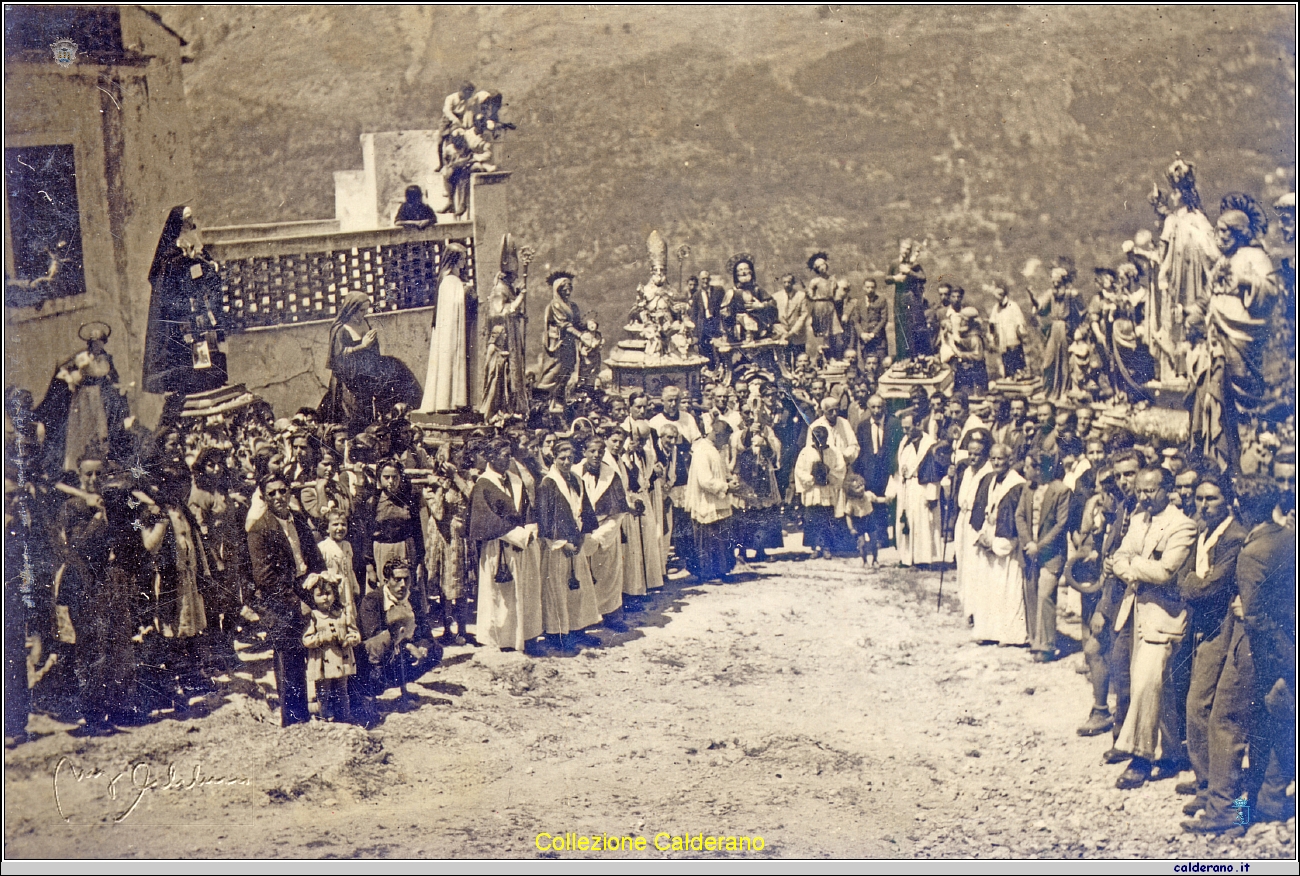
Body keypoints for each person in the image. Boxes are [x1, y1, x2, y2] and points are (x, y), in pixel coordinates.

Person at [1109, 467, 1198, 790]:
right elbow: (1118, 555)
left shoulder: (1182, 525)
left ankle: (1141, 757)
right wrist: (1132, 565)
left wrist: (1129, 567)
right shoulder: (1138, 520)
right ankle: (1171, 752)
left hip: (1165, 616)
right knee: (1158, 686)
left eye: (1151, 491)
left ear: (1168, 489)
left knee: (1148, 682)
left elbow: (1165, 572)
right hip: (1135, 610)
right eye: (1140, 491)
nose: (1144, 497)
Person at [1175, 471, 1247, 819]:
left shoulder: (1233, 537)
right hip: (1201, 628)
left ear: (1228, 499)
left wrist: (1193, 583)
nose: (1203, 504)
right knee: (1197, 707)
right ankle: (1206, 780)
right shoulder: (1204, 532)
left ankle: (1217, 793)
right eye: (1200, 498)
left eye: (1211, 499)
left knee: (1201, 707)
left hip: (1222, 630)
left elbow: (1210, 588)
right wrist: (1193, 582)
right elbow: (1183, 577)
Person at [247, 472, 326, 727]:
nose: (279, 497)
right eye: (272, 493)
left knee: (318, 647)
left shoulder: (299, 521)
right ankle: (293, 720)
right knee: (289, 657)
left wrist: (320, 583)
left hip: (306, 588)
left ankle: (324, 707)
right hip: (279, 599)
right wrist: (296, 602)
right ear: (264, 497)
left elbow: (313, 556)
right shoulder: (259, 530)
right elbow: (265, 579)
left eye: (283, 491)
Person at [142, 206, 228, 401]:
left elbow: (204, 262)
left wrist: (210, 265)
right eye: (187, 218)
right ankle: (193, 383)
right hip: (182, 308)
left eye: (191, 218)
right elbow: (166, 275)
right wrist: (186, 262)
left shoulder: (194, 241)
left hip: (199, 305)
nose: (191, 221)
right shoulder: (172, 249)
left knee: (206, 341)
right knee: (188, 346)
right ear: (179, 223)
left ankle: (210, 379)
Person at [468, 439, 544, 651]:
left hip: (523, 546)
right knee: (502, 598)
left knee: (526, 592)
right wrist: (518, 535)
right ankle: (504, 641)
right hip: (499, 547)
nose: (508, 459)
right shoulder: (484, 484)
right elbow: (486, 520)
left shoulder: (515, 481)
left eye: (509, 454)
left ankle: (528, 636)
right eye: (503, 454)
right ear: (491, 457)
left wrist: (530, 528)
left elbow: (527, 508)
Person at [34, 322, 130, 476]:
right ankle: (75, 464)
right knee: (82, 427)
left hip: (100, 397)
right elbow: (64, 370)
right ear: (90, 343)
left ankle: (101, 463)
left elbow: (113, 377)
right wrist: (72, 379)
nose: (97, 347)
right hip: (83, 396)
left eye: (100, 343)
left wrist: (116, 386)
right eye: (94, 344)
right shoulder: (81, 357)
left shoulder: (106, 358)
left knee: (101, 427)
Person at [320, 292, 421, 433]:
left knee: (367, 416)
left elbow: (373, 352)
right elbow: (339, 357)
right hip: (347, 381)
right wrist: (363, 346)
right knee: (351, 417)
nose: (364, 314)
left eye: (365, 310)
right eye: (361, 310)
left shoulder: (365, 324)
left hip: (363, 379)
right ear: (351, 309)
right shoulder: (341, 330)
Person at [535, 439, 602, 644]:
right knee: (557, 589)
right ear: (553, 458)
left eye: (570, 458)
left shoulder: (576, 479)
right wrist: (561, 543)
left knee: (578, 589)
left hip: (576, 541)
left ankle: (577, 628)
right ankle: (558, 634)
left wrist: (582, 536)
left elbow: (584, 508)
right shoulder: (548, 483)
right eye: (562, 458)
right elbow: (544, 518)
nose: (566, 462)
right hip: (558, 546)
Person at [968, 444, 1027, 645]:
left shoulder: (1016, 484)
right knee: (987, 587)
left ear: (1009, 460)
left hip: (1005, 543)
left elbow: (1013, 521)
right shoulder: (991, 480)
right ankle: (987, 631)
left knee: (1006, 588)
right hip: (990, 534)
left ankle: (1009, 635)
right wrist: (982, 535)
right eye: (992, 458)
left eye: (1000, 459)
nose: (996, 462)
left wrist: (995, 543)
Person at [1016, 452, 1071, 662]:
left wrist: (1039, 546)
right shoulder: (1027, 489)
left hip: (1051, 554)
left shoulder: (1061, 491)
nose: (1025, 470)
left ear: (1039, 469)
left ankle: (1047, 645)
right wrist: (1028, 542)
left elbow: (1060, 524)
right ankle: (1034, 640)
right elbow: (1019, 515)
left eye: (1029, 466)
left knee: (1045, 595)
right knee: (1030, 593)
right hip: (1030, 551)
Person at [1153, 154, 1219, 320]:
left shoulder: (1198, 219)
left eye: (1176, 192)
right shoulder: (1172, 220)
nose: (1173, 196)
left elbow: (1211, 250)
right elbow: (1164, 255)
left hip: (1195, 276)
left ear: (1184, 193)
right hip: (1177, 280)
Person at [420, 244, 474, 413]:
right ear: (455, 260)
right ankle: (448, 402)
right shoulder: (450, 280)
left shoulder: (449, 280)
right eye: (462, 258)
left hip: (448, 329)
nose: (464, 262)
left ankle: (448, 401)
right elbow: (456, 303)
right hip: (449, 331)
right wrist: (467, 291)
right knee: (449, 361)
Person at [684, 419, 737, 582]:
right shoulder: (702, 451)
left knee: (719, 539)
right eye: (725, 438)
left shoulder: (714, 449)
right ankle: (708, 573)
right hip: (706, 502)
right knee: (708, 539)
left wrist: (729, 480)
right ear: (717, 435)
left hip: (718, 501)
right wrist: (726, 487)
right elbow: (705, 480)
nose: (726, 443)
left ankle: (721, 570)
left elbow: (719, 472)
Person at [302, 573, 360, 723]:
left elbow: (355, 633)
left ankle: (344, 717)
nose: (325, 598)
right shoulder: (313, 616)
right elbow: (307, 640)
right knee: (323, 691)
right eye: (320, 595)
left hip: (341, 659)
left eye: (328, 593)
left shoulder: (341, 614)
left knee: (342, 690)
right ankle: (323, 716)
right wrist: (322, 638)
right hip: (323, 662)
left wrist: (350, 639)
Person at [853, 394, 902, 563]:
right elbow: (860, 451)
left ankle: (895, 538)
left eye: (879, 407)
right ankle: (879, 537)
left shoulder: (894, 424)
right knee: (872, 505)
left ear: (884, 407)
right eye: (873, 407)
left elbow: (898, 447)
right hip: (870, 472)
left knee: (890, 504)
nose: (876, 411)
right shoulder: (863, 426)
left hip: (888, 471)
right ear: (868, 407)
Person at [891, 411, 944, 567]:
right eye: (903, 428)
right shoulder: (904, 442)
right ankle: (906, 557)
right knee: (905, 522)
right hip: (906, 486)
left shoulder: (929, 445)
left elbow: (934, 473)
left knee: (922, 523)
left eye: (908, 427)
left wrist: (932, 496)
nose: (905, 431)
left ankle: (922, 559)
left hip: (921, 487)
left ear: (918, 424)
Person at [534, 271, 583, 407]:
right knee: (555, 370)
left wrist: (588, 328)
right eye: (564, 288)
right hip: (558, 344)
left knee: (567, 370)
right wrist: (580, 335)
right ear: (558, 289)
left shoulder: (573, 306)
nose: (567, 291)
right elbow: (564, 324)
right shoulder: (556, 305)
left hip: (569, 344)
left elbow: (577, 324)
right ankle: (541, 399)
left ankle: (558, 399)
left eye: (569, 287)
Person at [986, 281, 1029, 379]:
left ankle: (1019, 376)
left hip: (1013, 338)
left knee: (1016, 358)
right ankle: (1009, 377)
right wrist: (992, 336)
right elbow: (992, 322)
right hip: (1003, 338)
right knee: (1006, 360)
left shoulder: (1013, 306)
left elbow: (1020, 321)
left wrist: (1020, 333)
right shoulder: (996, 307)